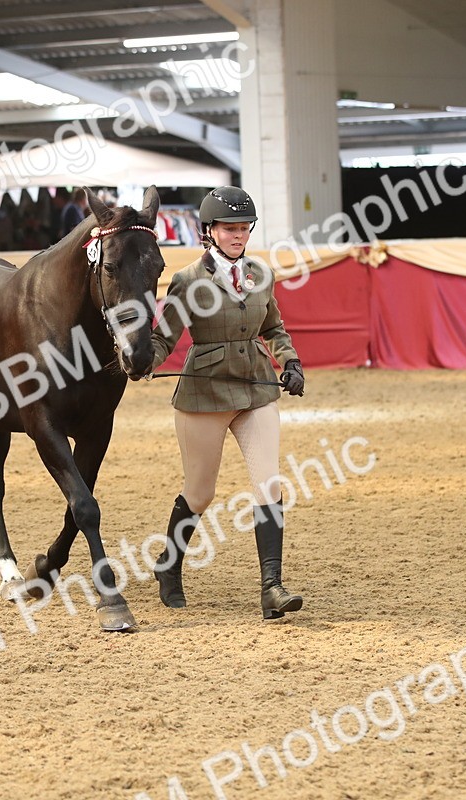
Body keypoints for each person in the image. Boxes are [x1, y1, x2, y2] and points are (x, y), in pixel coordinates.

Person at [148, 186, 307, 619]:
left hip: (256, 386)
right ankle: (169, 566)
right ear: (210, 231)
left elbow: (274, 327)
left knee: (269, 483)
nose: (238, 236)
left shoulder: (261, 274)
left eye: (243, 228)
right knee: (200, 493)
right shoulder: (188, 280)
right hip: (206, 391)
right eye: (229, 229)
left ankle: (271, 588)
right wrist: (145, 359)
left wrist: (290, 362)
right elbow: (164, 336)